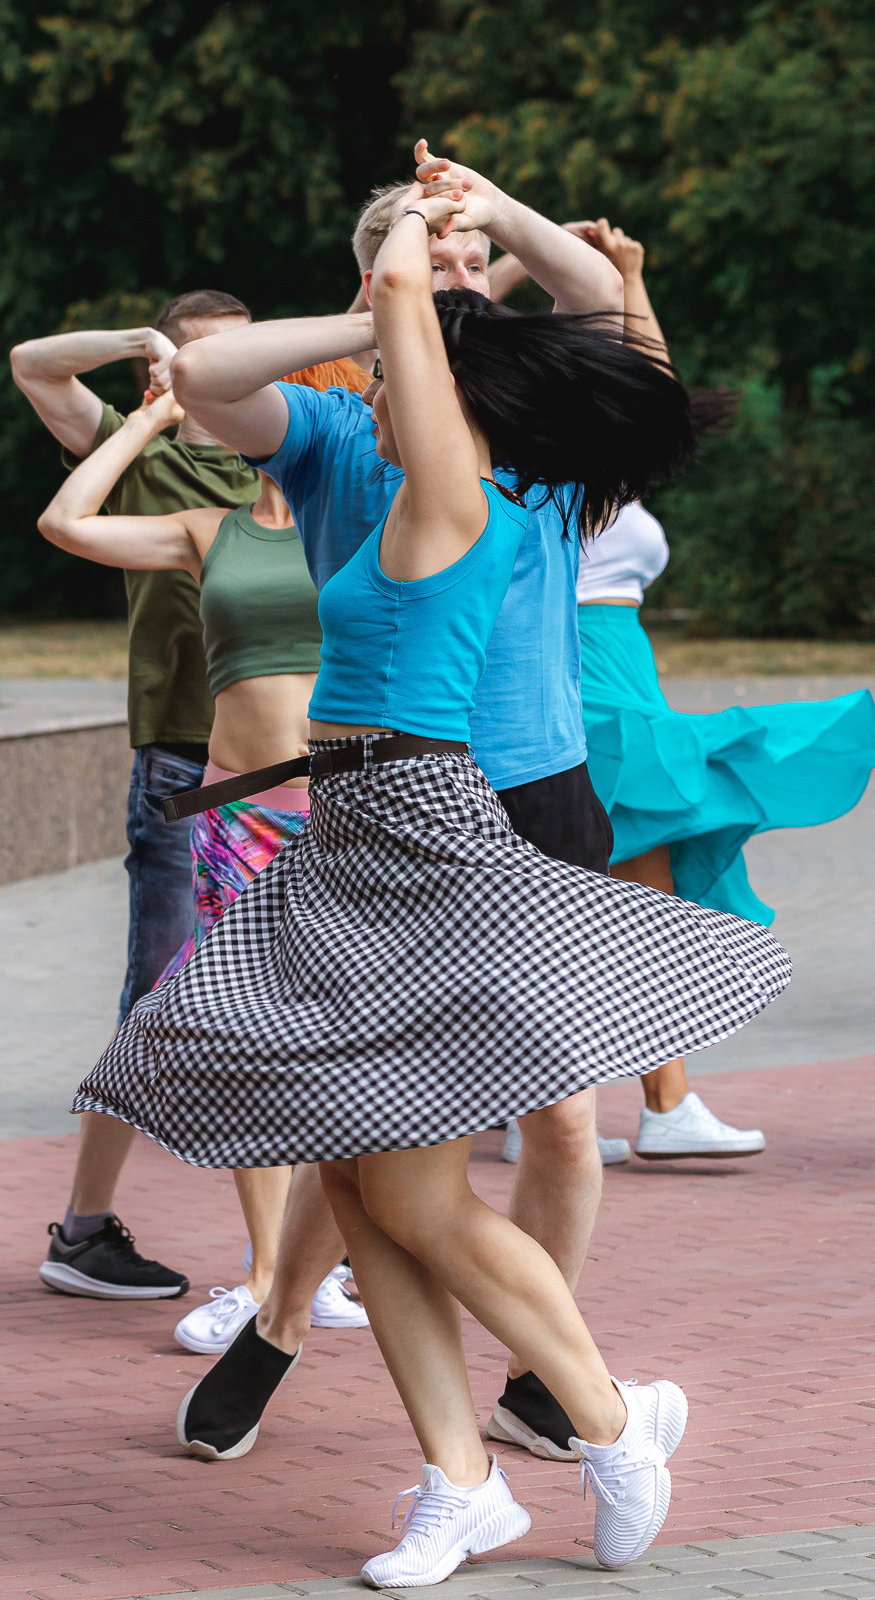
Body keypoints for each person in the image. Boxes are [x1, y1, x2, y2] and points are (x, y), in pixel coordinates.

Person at [75, 185, 790, 1584]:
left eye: (403, 382)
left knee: (419, 1191)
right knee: (364, 1172)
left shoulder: (468, 492)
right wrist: (400, 293)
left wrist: (433, 243)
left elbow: (444, 319)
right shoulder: (403, 459)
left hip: (434, 835)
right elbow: (264, 362)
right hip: (358, 836)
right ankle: (462, 1478)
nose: (378, 400)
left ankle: (605, 1412)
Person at [163, 142, 635, 1470]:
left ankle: (551, 1380)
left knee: (559, 1116)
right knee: (368, 1113)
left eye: (474, 262)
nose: (464, 279)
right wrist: (384, 309)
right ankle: (283, 1323)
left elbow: (596, 291)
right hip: (393, 805)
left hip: (538, 796)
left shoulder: (542, 428)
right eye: (439, 263)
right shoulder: (331, 428)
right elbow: (202, 378)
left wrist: (490, 209)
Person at [499, 219, 875, 1158]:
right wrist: (520, 249)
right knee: (616, 895)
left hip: (625, 676)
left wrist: (626, 274)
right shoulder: (538, 459)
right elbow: (467, 314)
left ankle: (610, 1104)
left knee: (622, 896)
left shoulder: (612, 463)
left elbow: (657, 392)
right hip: (576, 674)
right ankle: (615, 1106)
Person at [33, 367, 374, 1352]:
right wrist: (144, 418)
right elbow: (66, 519)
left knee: (342, 1044)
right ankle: (270, 1276)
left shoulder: (361, 521)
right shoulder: (207, 530)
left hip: (341, 809)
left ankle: (340, 1260)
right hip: (236, 816)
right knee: (247, 1040)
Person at [9, 290, 255, 1300]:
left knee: (279, 1004)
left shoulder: (293, 463)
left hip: (285, 768)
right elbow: (32, 364)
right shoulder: (144, 450)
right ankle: (82, 1229)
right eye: (213, 363)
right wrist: (139, 353)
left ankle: (301, 1255)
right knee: (156, 997)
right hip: (183, 762)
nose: (240, 380)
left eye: (253, 362)